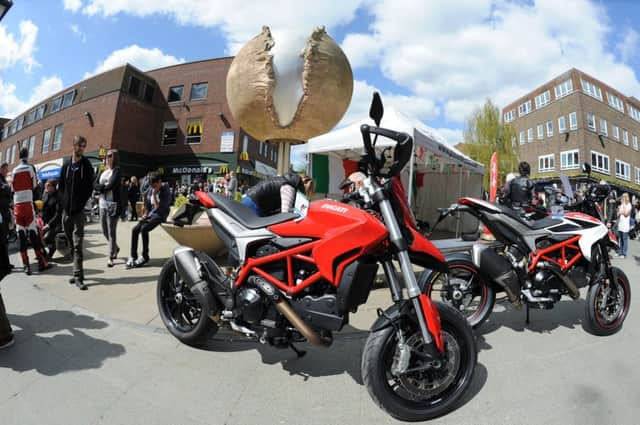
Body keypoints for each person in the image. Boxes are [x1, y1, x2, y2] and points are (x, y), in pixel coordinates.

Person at [59, 135, 95, 290]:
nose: (81, 148)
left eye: (84, 146)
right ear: (73, 146)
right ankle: (76, 272)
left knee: (78, 244)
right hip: (66, 212)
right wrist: (64, 203)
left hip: (79, 212)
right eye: (79, 145)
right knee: (70, 242)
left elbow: (89, 188)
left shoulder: (86, 165)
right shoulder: (66, 165)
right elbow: (61, 186)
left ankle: (79, 276)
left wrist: (80, 204)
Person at [12, 147, 50, 275]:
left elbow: (13, 188)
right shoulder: (30, 168)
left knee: (21, 236)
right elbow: (34, 186)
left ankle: (26, 266)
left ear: (19, 156)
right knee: (33, 235)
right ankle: (41, 262)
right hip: (28, 204)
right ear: (27, 155)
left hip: (17, 205)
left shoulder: (14, 170)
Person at [126, 172, 170, 268]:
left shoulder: (165, 190)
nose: (152, 188)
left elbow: (159, 208)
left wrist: (154, 194)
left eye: (154, 185)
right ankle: (133, 256)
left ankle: (145, 256)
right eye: (151, 186)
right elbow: (149, 206)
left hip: (160, 214)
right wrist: (145, 213)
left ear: (159, 182)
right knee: (135, 230)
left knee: (144, 229)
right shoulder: (151, 188)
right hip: (151, 214)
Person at [94, 149, 121, 268]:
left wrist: (101, 188)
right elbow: (94, 184)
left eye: (110, 156)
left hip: (112, 205)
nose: (107, 158)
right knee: (104, 230)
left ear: (114, 157)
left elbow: (111, 185)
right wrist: (101, 187)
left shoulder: (117, 171)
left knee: (111, 231)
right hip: (101, 204)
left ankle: (111, 256)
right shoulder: (103, 170)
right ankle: (115, 247)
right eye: (107, 156)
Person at [41, 179, 62, 259]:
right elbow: (42, 207)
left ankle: (51, 250)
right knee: (35, 237)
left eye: (48, 185)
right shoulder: (46, 194)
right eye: (46, 185)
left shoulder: (58, 196)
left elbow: (58, 214)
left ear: (53, 187)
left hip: (55, 223)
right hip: (45, 221)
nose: (46, 186)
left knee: (46, 238)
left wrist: (48, 225)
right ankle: (43, 253)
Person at [0, 163, 13, 274]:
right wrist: (8, 187)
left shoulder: (4, 179)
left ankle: (6, 263)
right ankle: (5, 264)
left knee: (5, 239)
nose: (6, 171)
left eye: (7, 169)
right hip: (1, 214)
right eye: (4, 169)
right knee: (3, 239)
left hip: (5, 213)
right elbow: (5, 190)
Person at [617, 193, 632, 258]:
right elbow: (618, 214)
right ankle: (620, 252)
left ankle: (624, 253)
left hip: (625, 225)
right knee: (620, 239)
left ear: (626, 198)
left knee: (624, 239)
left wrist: (623, 206)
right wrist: (620, 210)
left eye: (623, 197)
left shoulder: (629, 205)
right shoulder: (621, 205)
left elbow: (626, 214)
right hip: (621, 223)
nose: (622, 198)